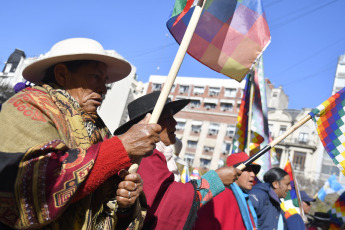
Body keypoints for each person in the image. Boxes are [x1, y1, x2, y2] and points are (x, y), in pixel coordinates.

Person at [0, 38, 162, 229]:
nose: (103, 89)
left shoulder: (99, 130)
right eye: (95, 77)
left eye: (105, 82)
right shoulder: (26, 105)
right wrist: (122, 146)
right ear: (62, 74)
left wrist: (125, 206)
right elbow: (35, 186)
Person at [114, 91, 242, 230]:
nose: (175, 123)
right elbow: (168, 200)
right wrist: (215, 180)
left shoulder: (162, 156)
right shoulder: (144, 157)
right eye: (168, 118)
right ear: (150, 125)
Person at [192, 152, 261, 230]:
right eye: (247, 169)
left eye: (253, 171)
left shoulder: (244, 197)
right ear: (232, 171)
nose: (253, 174)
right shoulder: (218, 194)